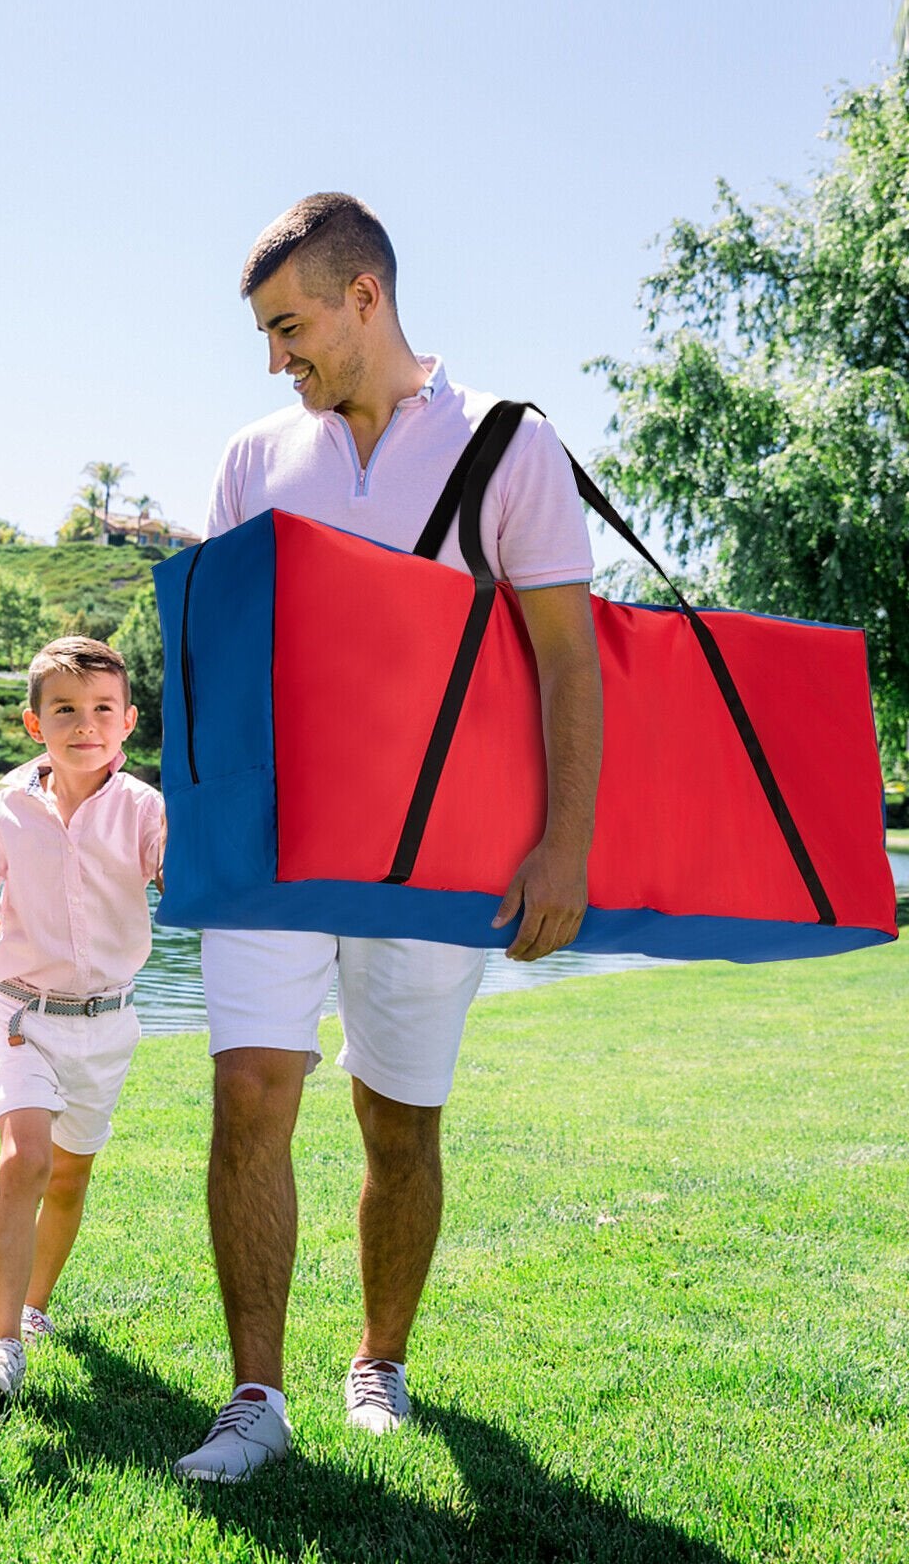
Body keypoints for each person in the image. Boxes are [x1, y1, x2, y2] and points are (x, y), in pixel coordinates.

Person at [173, 193, 603, 1482]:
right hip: (276, 840)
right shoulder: (255, 456)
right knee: (249, 1086)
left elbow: (567, 662)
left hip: (439, 850)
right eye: (263, 333)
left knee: (394, 1117)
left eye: (290, 325)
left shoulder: (507, 445)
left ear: (365, 297)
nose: (275, 358)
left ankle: (379, 1361)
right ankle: (255, 1394)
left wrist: (563, 846)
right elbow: (225, 652)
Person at [0, 637, 165, 1403]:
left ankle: (34, 1311)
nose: (85, 724)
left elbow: (179, 872)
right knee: (24, 1160)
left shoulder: (143, 808)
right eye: (65, 709)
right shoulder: (5, 809)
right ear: (34, 723)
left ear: (128, 721)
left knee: (68, 1176)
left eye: (103, 709)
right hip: (22, 1012)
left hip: (109, 1022)